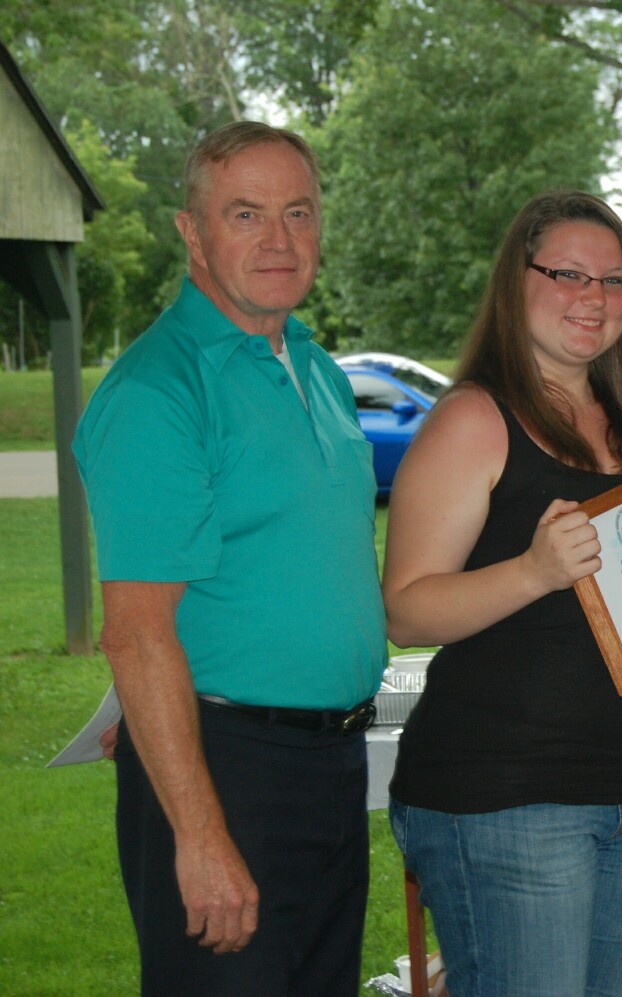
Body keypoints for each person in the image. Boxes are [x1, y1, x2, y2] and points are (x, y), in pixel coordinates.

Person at [381, 189, 622, 997]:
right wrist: (532, 571)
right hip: (505, 800)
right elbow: (404, 608)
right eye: (569, 274)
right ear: (518, 280)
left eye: (615, 281)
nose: (595, 297)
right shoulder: (475, 418)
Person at [71, 122, 387, 995]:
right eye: (246, 214)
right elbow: (137, 633)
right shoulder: (158, 391)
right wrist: (200, 833)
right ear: (192, 232)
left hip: (331, 765)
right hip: (227, 772)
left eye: (299, 212)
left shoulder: (316, 368)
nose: (279, 239)